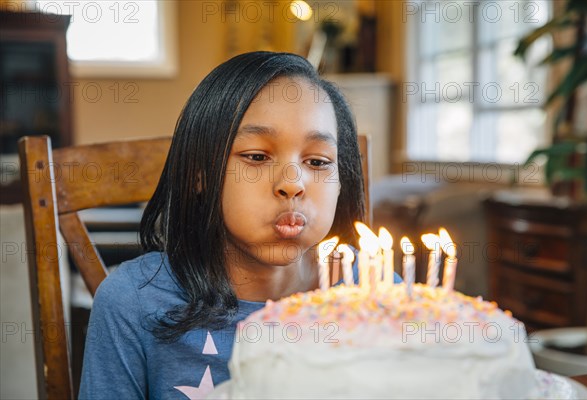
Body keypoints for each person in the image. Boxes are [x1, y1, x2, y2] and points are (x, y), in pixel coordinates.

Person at [78, 51, 369, 399]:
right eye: (257, 157)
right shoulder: (132, 302)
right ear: (200, 173)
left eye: (318, 161)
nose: (293, 183)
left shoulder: (375, 294)